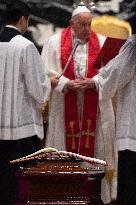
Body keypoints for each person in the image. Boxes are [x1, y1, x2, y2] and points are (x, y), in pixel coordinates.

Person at [0, 1, 58, 204]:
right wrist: (48, 83)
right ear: (23, 20)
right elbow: (38, 89)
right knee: (20, 182)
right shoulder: (25, 46)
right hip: (21, 129)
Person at [80, 33, 136, 205]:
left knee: (131, 186)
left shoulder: (133, 45)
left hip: (132, 128)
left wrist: (96, 80)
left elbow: (117, 73)